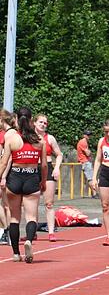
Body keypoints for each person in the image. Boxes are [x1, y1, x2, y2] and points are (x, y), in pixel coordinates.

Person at [0, 107, 47, 262]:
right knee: (31, 216)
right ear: (32, 120)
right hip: (31, 178)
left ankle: (15, 253)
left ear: (17, 120)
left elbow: (4, 162)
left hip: (14, 178)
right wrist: (43, 181)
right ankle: (28, 241)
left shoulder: (12, 139)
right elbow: (44, 165)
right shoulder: (40, 141)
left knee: (14, 217)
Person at [35, 113, 63, 242]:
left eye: (45, 123)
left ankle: (51, 232)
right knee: (32, 202)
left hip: (48, 168)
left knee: (49, 203)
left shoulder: (50, 138)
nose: (43, 125)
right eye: (40, 122)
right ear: (34, 123)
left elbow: (59, 154)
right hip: (33, 169)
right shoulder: (30, 137)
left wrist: (57, 168)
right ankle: (32, 232)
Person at [0, 109, 15, 245]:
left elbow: (8, 157)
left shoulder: (6, 135)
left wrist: (3, 175)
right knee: (5, 205)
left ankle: (8, 231)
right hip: (4, 170)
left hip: (5, 172)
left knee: (6, 205)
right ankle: (6, 231)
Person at [77, 130, 97, 198]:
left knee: (90, 178)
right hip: (85, 162)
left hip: (84, 161)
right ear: (84, 135)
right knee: (91, 178)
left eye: (89, 135)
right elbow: (88, 153)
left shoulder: (84, 141)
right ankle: (94, 193)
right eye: (88, 135)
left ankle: (93, 193)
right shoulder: (83, 142)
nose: (89, 136)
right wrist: (90, 152)